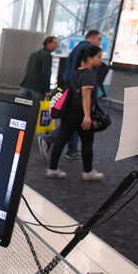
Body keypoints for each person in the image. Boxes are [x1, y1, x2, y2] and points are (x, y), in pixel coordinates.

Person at [38, 29, 103, 161]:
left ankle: (72, 150)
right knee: (73, 121)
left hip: (69, 87)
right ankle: (49, 140)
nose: (100, 43)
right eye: (99, 39)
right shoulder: (89, 50)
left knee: (71, 121)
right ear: (92, 38)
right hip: (77, 91)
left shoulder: (77, 47)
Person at [47, 45, 106, 181]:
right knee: (87, 142)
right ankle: (88, 172)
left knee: (61, 140)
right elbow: (86, 95)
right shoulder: (89, 74)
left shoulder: (78, 72)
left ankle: (52, 169)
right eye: (98, 57)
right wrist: (87, 115)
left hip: (69, 112)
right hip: (80, 113)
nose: (100, 61)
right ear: (89, 58)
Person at [18, 36, 57, 102]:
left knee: (20, 108)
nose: (56, 46)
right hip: (37, 89)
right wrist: (47, 90)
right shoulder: (47, 56)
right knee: (36, 110)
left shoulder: (34, 54)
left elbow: (28, 69)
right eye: (55, 43)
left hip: (26, 85)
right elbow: (46, 74)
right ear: (48, 44)